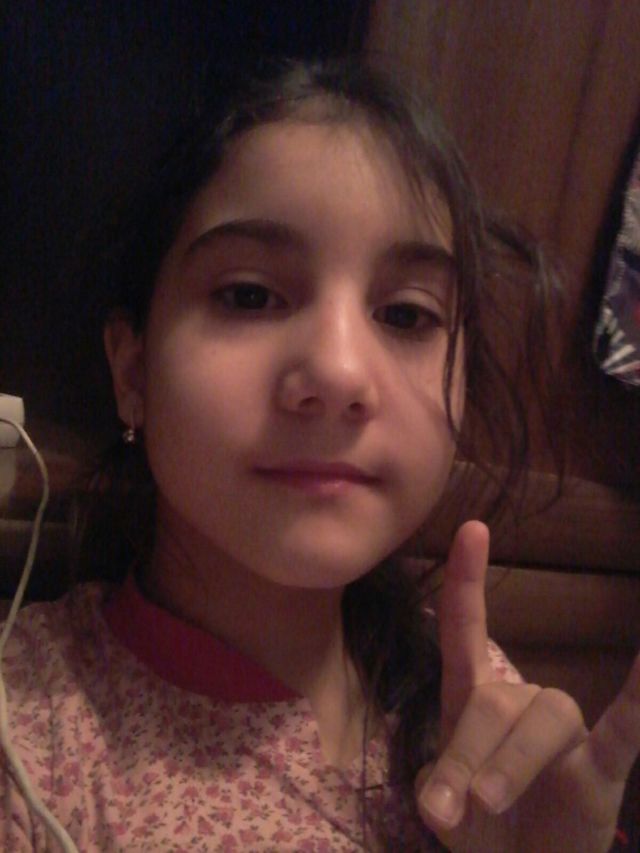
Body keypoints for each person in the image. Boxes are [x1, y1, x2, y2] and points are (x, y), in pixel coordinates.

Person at [1, 58, 638, 852]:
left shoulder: (470, 695)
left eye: (406, 315)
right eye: (249, 295)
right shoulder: (26, 733)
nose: (338, 374)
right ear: (133, 371)